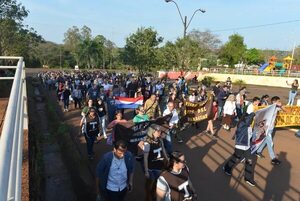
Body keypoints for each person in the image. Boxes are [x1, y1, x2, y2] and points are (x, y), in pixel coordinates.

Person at [223, 113, 257, 187]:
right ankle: (226, 168)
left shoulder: (248, 126)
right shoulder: (242, 124)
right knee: (235, 158)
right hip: (240, 146)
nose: (252, 120)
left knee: (249, 161)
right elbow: (247, 120)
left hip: (247, 147)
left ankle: (247, 178)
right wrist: (253, 114)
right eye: (251, 119)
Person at [143, 124, 168, 201]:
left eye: (160, 131)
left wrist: (167, 158)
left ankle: (154, 196)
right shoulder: (147, 143)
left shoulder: (160, 140)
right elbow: (145, 158)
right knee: (150, 185)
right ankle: (148, 198)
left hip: (160, 166)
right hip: (151, 168)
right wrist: (146, 171)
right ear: (153, 132)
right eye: (158, 131)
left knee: (158, 184)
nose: (160, 132)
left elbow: (163, 150)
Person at [256, 96, 282, 165]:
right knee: (270, 143)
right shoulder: (270, 108)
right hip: (267, 128)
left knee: (265, 141)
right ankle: (273, 158)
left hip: (271, 128)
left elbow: (284, 110)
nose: (280, 102)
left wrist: (280, 105)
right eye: (278, 101)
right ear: (274, 102)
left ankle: (258, 151)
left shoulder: (276, 108)